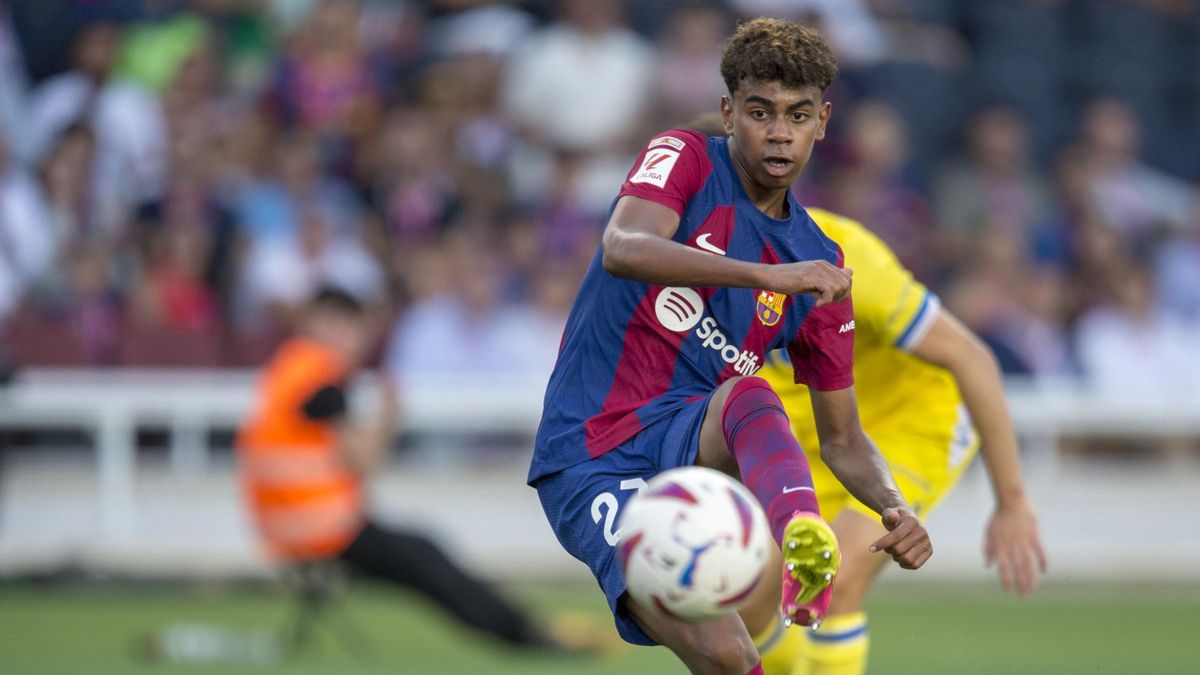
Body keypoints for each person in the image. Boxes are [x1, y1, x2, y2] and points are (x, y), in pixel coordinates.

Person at [529, 19, 931, 675]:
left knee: (748, 392)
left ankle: (805, 535)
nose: (779, 132)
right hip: (592, 451)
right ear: (728, 112)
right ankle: (793, 533)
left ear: (822, 122)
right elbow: (623, 246)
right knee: (725, 653)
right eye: (760, 112)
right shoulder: (685, 157)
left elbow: (842, 439)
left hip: (693, 447)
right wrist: (764, 275)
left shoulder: (817, 264)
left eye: (798, 115)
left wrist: (893, 506)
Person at [757, 208, 1048, 674]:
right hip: (807, 423)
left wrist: (1011, 501)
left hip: (910, 418)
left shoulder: (843, 257)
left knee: (838, 574)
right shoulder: (692, 263)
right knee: (755, 592)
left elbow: (971, 358)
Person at [236, 287, 592, 655]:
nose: (350, 339)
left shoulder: (289, 367)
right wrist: (388, 413)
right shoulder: (321, 378)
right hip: (320, 528)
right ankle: (521, 634)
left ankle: (521, 628)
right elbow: (362, 462)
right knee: (426, 560)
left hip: (284, 523)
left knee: (423, 552)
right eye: (346, 326)